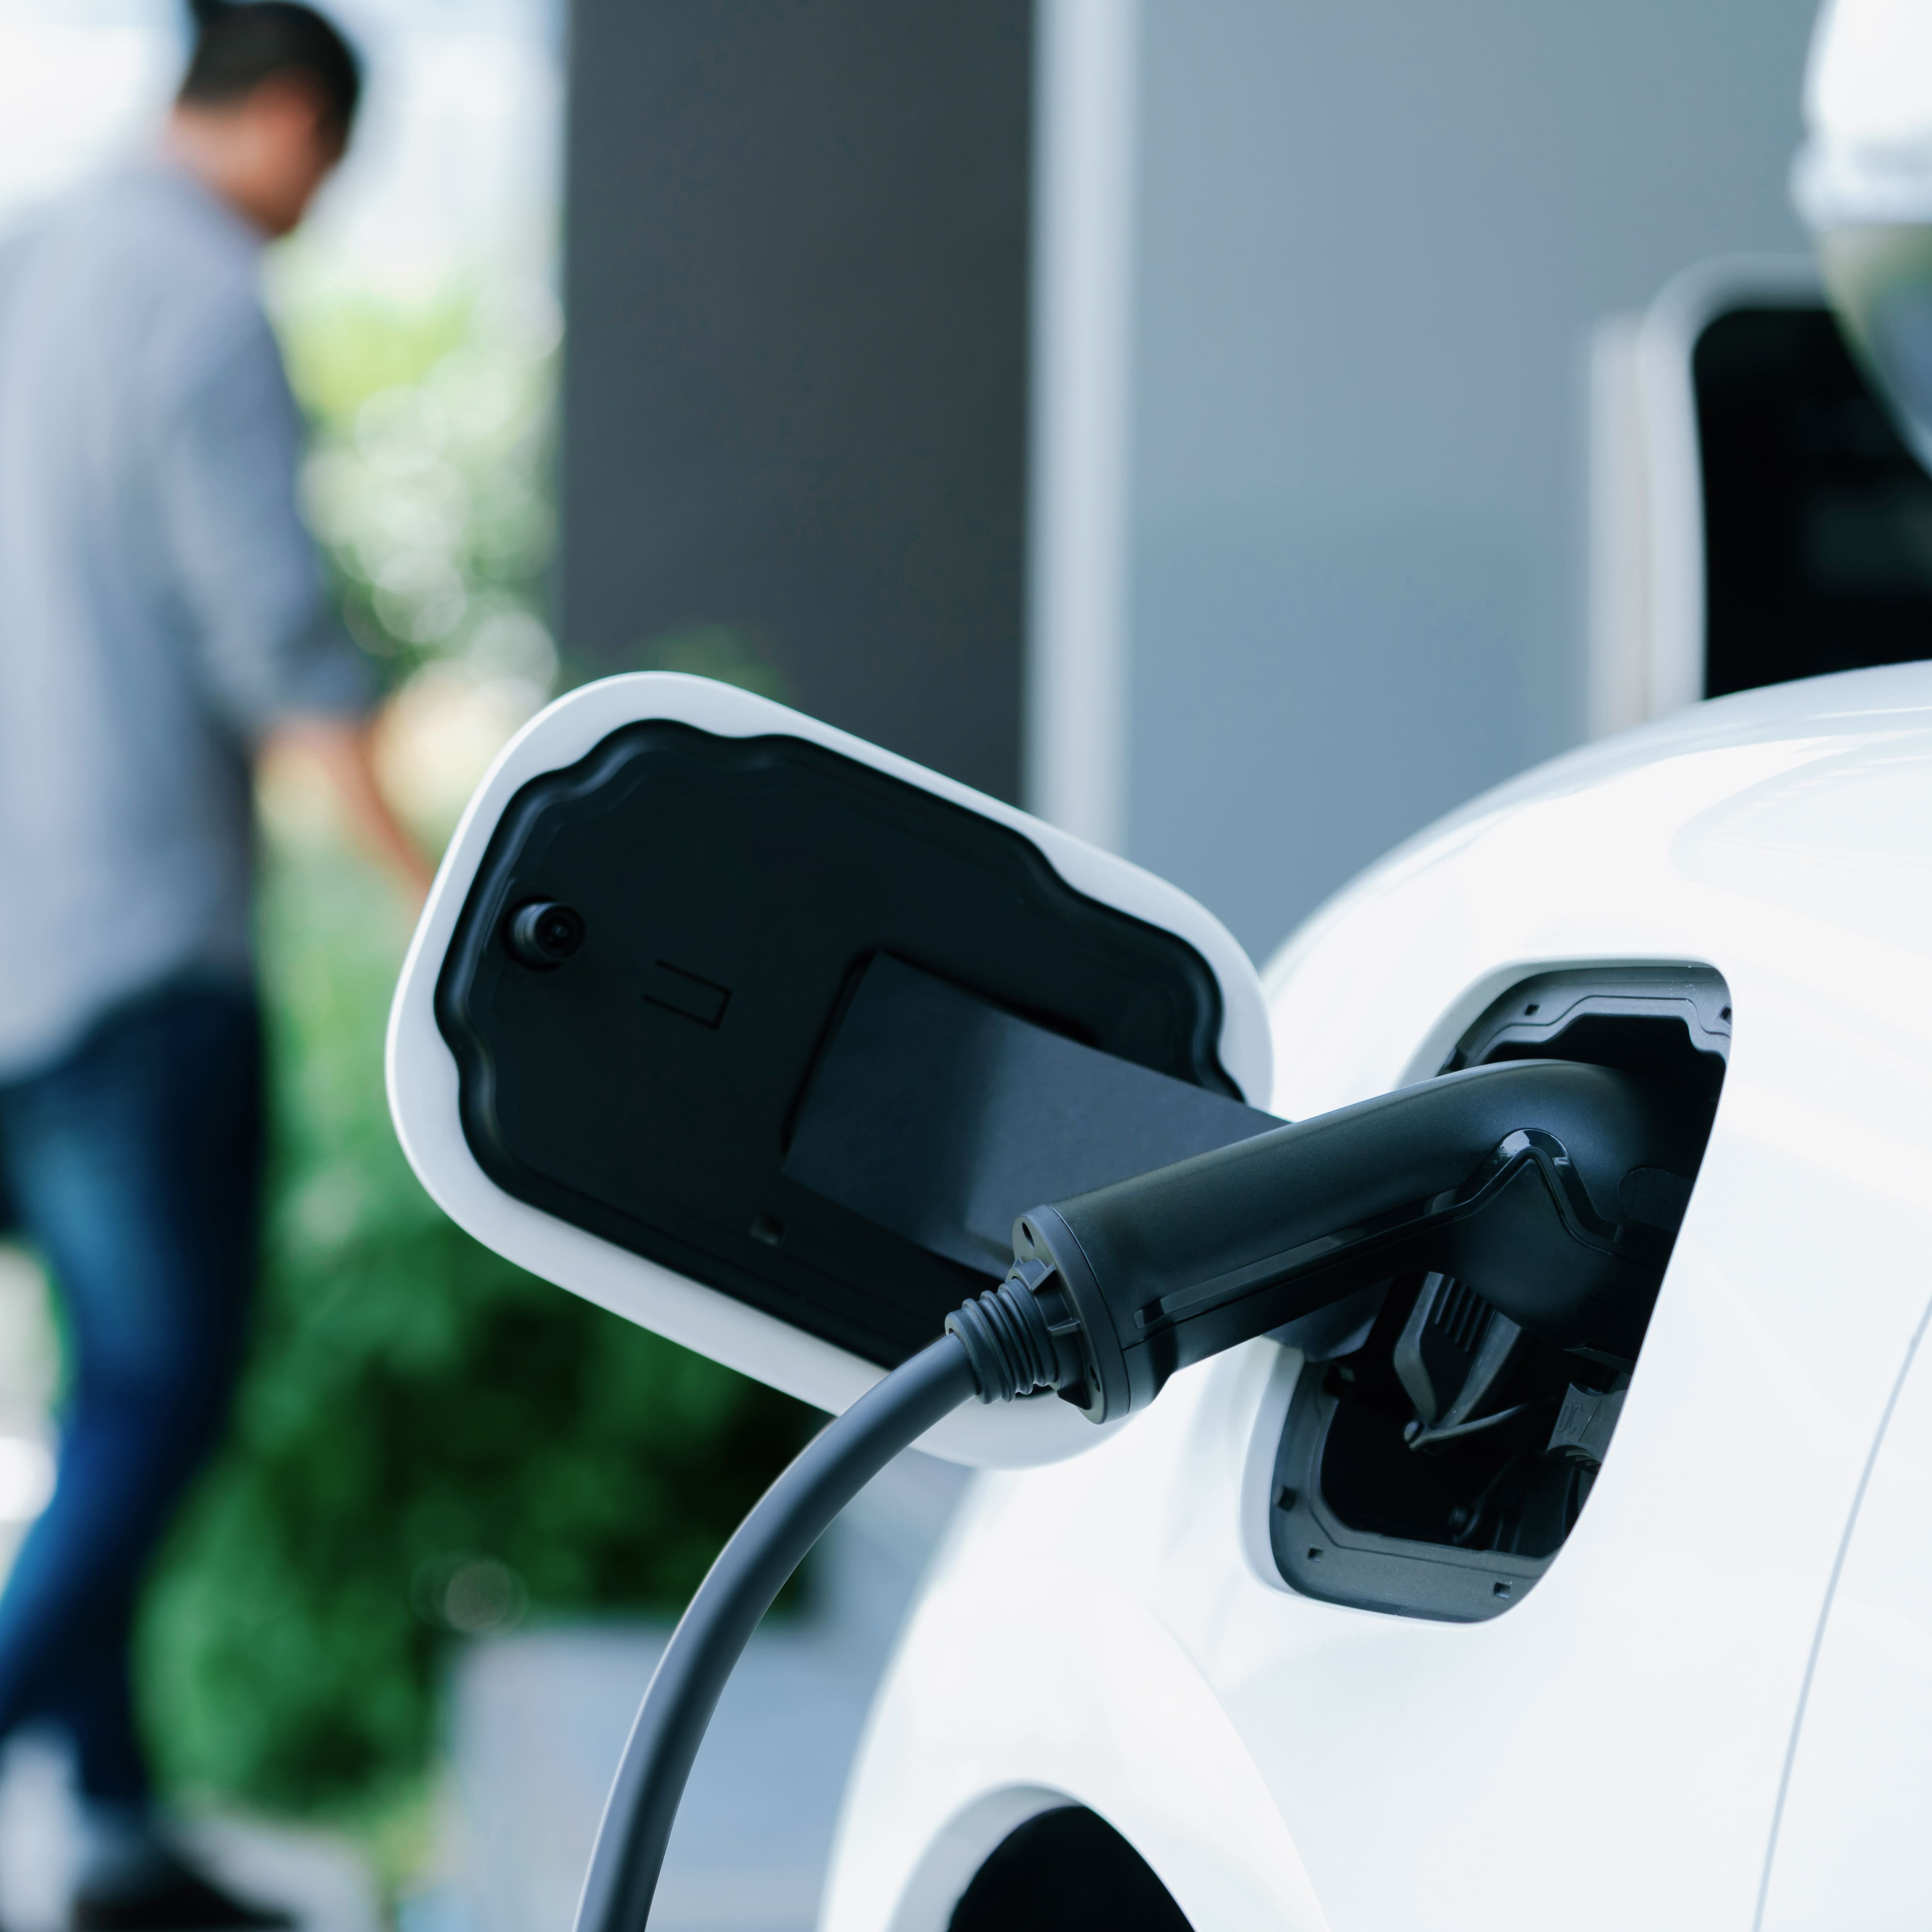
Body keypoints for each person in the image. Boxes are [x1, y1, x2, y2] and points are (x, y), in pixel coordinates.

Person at [0, 5, 431, 1926]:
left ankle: (109, 1832)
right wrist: (445, 900)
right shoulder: (198, 304)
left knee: (103, 1388)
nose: (311, 216)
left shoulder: (25, 266)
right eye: (322, 171)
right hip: (128, 955)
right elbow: (278, 652)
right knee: (160, 1395)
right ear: (278, 120)